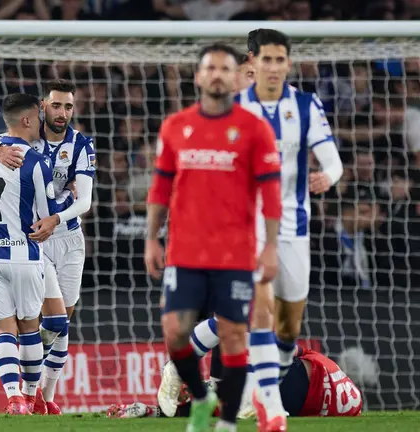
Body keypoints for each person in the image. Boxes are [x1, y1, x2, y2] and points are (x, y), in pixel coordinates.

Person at [144, 42, 282, 432]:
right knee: (174, 332)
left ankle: (226, 422)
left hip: (234, 254)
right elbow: (160, 188)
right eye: (211, 68)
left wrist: (270, 247)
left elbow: (270, 193)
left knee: (235, 335)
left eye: (225, 68)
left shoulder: (255, 129)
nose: (218, 74)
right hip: (185, 251)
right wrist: (151, 239)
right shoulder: (175, 127)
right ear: (199, 76)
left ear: (235, 78)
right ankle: (201, 396)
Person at [236, 29, 344, 431]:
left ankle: (268, 384)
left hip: (294, 225)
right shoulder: (236, 108)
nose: (274, 67)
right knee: (261, 310)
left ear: (288, 63)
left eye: (281, 60)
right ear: (252, 62)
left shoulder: (304, 104)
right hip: (249, 225)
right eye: (267, 59)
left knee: (289, 326)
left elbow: (332, 162)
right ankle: (267, 404)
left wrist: (328, 178)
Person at [0, 79, 96, 415]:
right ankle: (29, 392)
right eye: (56, 105)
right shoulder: (25, 140)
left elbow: (84, 201)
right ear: (41, 108)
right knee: (38, 321)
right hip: (31, 241)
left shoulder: (81, 145)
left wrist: (57, 218)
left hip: (67, 237)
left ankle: (44, 392)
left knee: (60, 324)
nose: (63, 113)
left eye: (69, 107)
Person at [107, 344, 363, 419]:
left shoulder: (330, 369)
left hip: (295, 382)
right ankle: (160, 410)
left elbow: (294, 351)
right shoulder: (349, 404)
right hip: (298, 395)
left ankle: (186, 383)